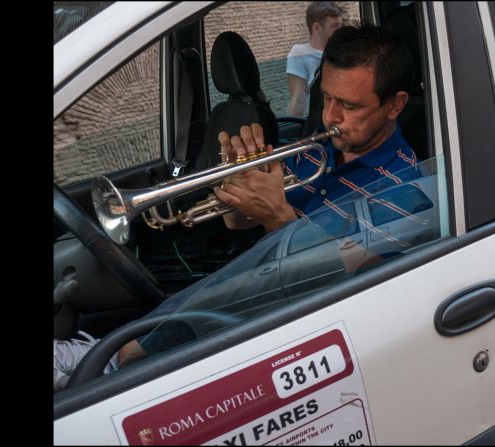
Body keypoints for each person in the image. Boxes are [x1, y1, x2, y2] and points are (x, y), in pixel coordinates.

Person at [54, 23, 419, 392]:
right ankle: (104, 357)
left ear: (395, 105)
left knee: (215, 297)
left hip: (296, 319)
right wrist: (238, 184)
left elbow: (363, 284)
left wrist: (279, 217)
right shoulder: (317, 152)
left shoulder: (404, 185)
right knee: (206, 291)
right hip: (253, 282)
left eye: (350, 106)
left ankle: (109, 364)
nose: (330, 117)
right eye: (326, 98)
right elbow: (238, 222)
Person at [286, 2, 343, 117]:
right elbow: (298, 98)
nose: (340, 30)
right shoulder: (299, 53)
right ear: (317, 27)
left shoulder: (342, 50)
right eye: (335, 26)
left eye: (340, 25)